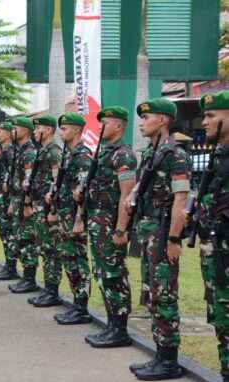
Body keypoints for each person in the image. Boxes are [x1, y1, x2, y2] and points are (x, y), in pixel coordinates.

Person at [126, 98, 189, 381]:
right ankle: (159, 355)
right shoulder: (152, 153)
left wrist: (174, 238)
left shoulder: (175, 154)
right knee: (152, 292)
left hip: (164, 231)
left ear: (162, 120)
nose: (141, 122)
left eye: (146, 117)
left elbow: (180, 200)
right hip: (148, 229)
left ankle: (169, 361)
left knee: (164, 293)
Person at [83, 106, 136, 347]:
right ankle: (111, 325)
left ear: (119, 126)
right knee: (103, 274)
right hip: (98, 222)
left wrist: (120, 229)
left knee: (115, 275)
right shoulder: (103, 153)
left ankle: (120, 329)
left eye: (106, 123)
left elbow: (127, 196)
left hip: (111, 224)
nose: (100, 127)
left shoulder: (122, 154)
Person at [196, 91, 229, 382]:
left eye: (211, 115)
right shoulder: (219, 154)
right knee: (221, 317)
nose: (204, 121)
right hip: (215, 251)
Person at [49, 113, 93, 324]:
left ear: (77, 130)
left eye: (65, 128)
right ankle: (77, 304)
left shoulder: (83, 156)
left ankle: (82, 307)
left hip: (75, 217)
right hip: (64, 215)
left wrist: (79, 219)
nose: (61, 132)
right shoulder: (68, 154)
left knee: (78, 261)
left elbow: (83, 192)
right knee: (69, 259)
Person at [26, 115, 63, 305]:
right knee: (44, 249)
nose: (34, 132)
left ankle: (53, 291)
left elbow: (56, 182)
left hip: (48, 206)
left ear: (47, 130)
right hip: (39, 205)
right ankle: (48, 289)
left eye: (37, 128)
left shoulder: (54, 152)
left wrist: (52, 211)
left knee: (51, 250)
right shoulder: (43, 151)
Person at [7, 117, 40, 294]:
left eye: (16, 128)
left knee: (28, 241)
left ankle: (30, 279)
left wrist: (27, 203)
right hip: (19, 200)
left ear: (25, 131)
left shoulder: (28, 152)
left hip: (26, 203)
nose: (13, 131)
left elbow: (29, 180)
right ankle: (26, 277)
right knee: (21, 238)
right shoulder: (21, 150)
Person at [0, 121, 21, 281]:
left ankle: (11, 267)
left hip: (7, 198)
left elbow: (11, 177)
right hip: (1, 196)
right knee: (4, 232)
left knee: (9, 233)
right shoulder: (2, 151)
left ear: (9, 134)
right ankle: (9, 265)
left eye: (1, 131)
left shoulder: (10, 152)